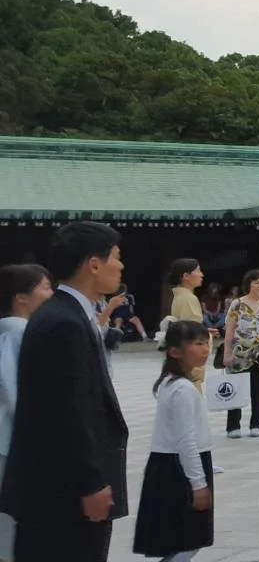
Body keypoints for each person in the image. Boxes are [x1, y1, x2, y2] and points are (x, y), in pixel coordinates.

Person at [0, 222, 129, 562]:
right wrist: (90, 482)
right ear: (93, 263)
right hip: (63, 494)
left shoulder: (68, 315)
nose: (121, 265)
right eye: (116, 257)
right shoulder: (63, 323)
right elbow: (67, 411)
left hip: (62, 489)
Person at [133, 320, 215, 562]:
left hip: (172, 465)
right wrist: (198, 483)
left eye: (206, 342)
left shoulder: (174, 384)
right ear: (175, 351)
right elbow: (185, 439)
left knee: (184, 540)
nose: (205, 349)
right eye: (198, 343)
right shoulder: (182, 389)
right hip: (179, 470)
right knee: (189, 540)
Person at [0, 263, 52, 559]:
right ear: (21, 297)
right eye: (45, 287)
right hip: (12, 441)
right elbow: (19, 394)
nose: (51, 293)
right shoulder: (18, 333)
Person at [221, 269, 259, 439]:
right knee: (236, 390)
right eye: (256, 282)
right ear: (248, 283)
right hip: (239, 353)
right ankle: (233, 426)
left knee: (258, 391)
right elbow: (229, 329)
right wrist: (227, 353)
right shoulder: (237, 303)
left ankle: (256, 424)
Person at [161, 259, 206, 392]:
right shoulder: (188, 298)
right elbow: (192, 333)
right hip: (191, 363)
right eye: (197, 271)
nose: (201, 274)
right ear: (186, 276)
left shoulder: (181, 296)